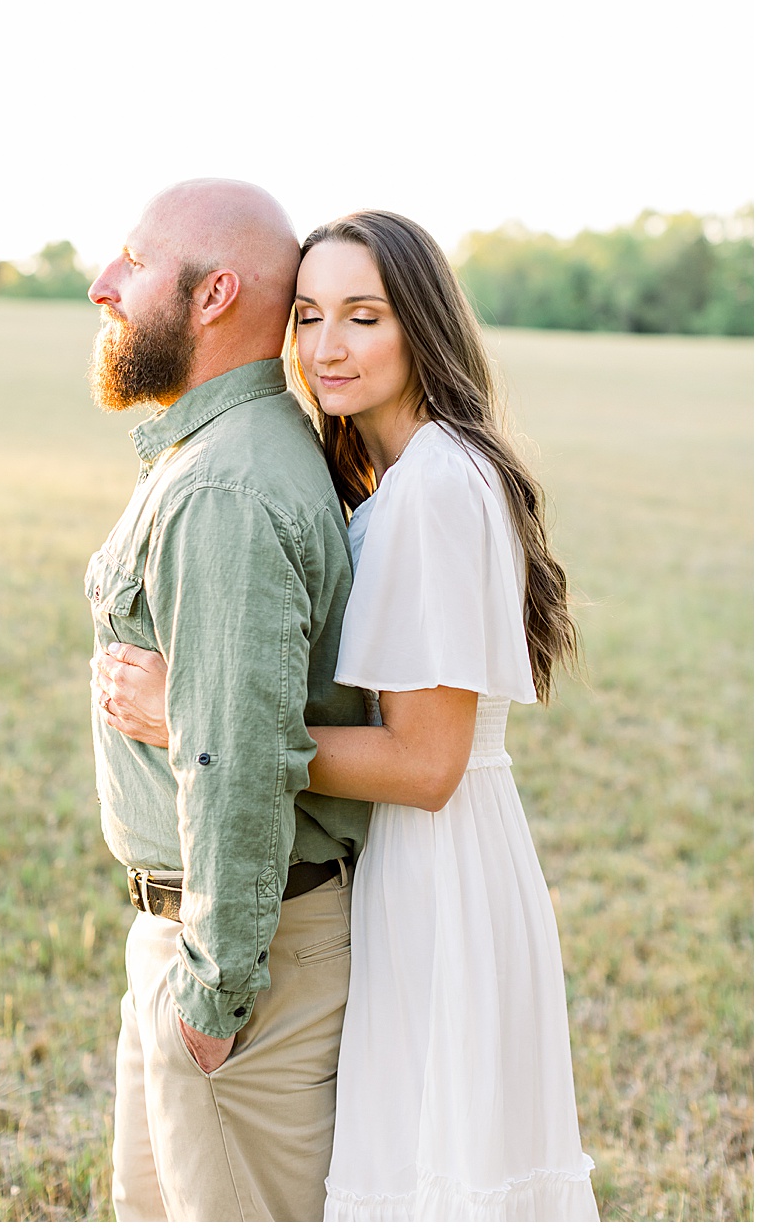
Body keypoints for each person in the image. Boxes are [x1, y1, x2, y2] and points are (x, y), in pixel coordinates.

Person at [97, 211, 598, 1219]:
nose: (327, 348)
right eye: (312, 316)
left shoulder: (436, 488)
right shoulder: (400, 476)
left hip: (437, 866)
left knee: (435, 1180)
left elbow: (426, 763)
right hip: (416, 860)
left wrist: (199, 713)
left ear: (420, 326)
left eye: (363, 318)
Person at [82, 179, 374, 1221]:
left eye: (132, 261)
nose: (101, 285)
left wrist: (213, 991)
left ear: (212, 297)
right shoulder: (221, 456)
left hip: (239, 962)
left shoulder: (224, 491)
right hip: (202, 938)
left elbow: (237, 759)